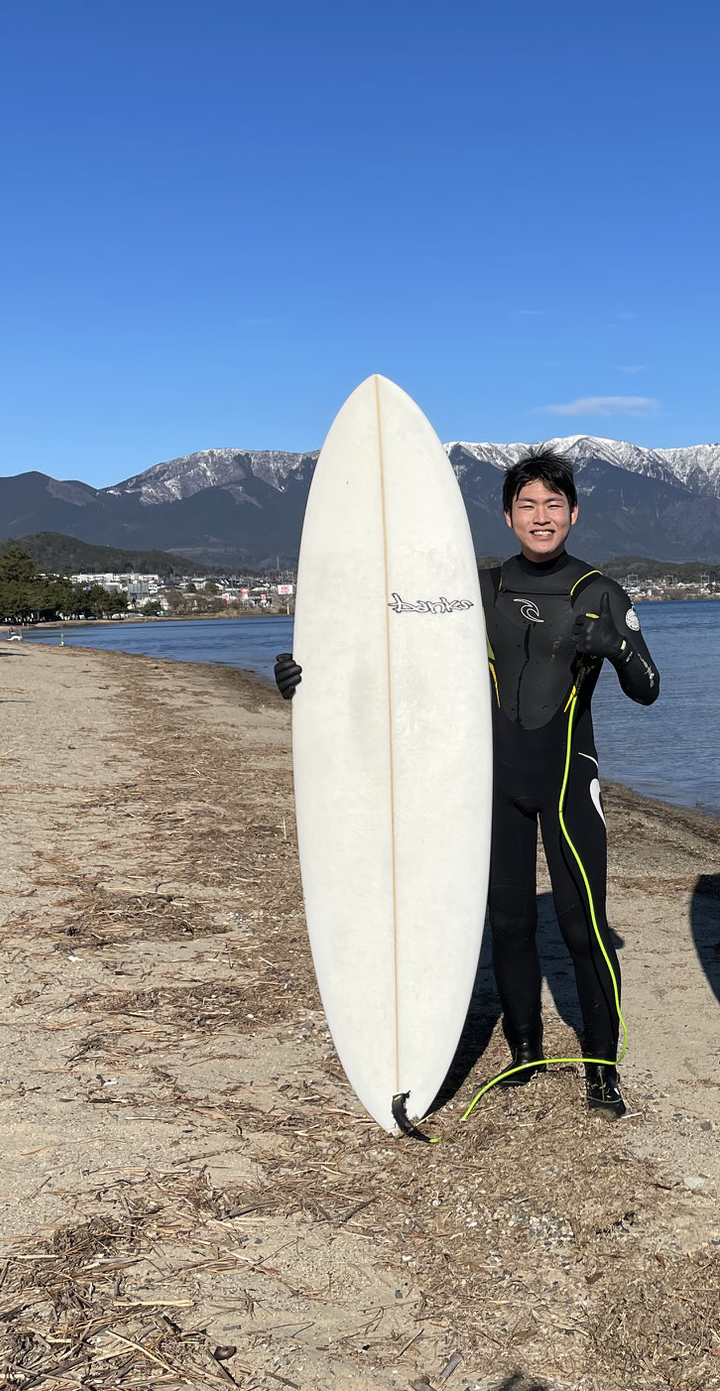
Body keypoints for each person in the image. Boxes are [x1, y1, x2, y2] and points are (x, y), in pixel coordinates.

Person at [274, 450, 659, 1120]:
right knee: (507, 922)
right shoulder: (477, 587)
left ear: (574, 513)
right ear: (508, 515)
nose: (541, 518)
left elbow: (648, 688)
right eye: (528, 506)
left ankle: (601, 1069)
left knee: (580, 926)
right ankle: (525, 1051)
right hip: (493, 783)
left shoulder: (600, 592)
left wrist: (616, 646)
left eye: (554, 505)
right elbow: (391, 646)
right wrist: (309, 673)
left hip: (568, 777)